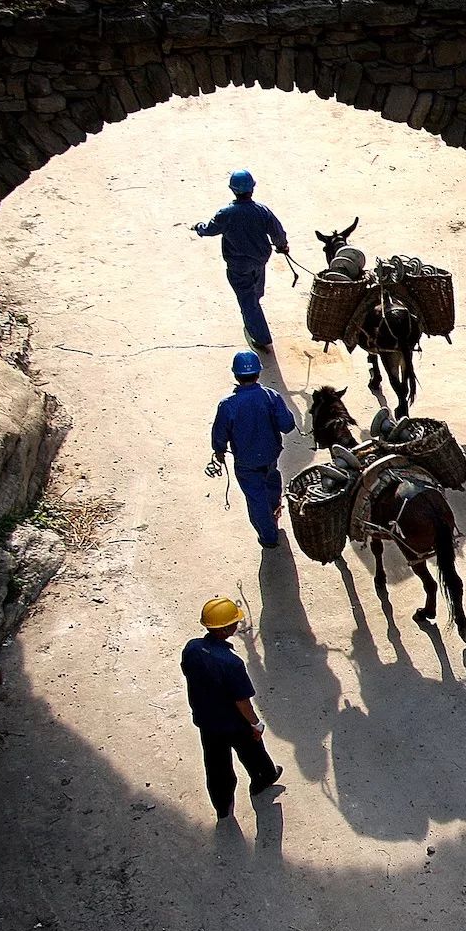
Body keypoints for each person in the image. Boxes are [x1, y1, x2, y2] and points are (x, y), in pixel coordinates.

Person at [181, 597, 283, 819]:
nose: (237, 625)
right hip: (234, 724)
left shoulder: (192, 648)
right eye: (234, 623)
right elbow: (242, 702)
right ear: (226, 629)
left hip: (206, 722)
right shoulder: (232, 663)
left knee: (216, 767)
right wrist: (255, 723)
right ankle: (264, 778)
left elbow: (188, 672)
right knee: (254, 753)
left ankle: (222, 807)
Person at [193, 169, 289, 350]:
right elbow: (277, 232)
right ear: (252, 189)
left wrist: (199, 228)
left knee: (247, 299)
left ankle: (261, 337)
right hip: (260, 261)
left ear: (233, 190)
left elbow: (210, 229)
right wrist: (282, 246)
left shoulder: (226, 213)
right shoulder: (262, 211)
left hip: (238, 265)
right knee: (255, 290)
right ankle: (255, 312)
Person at [211, 350, 296, 549]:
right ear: (258, 373)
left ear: (235, 375)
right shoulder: (271, 397)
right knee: (272, 484)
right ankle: (274, 513)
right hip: (270, 457)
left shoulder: (228, 405)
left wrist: (219, 450)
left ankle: (268, 537)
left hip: (247, 464)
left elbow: (220, 433)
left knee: (256, 499)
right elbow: (288, 425)